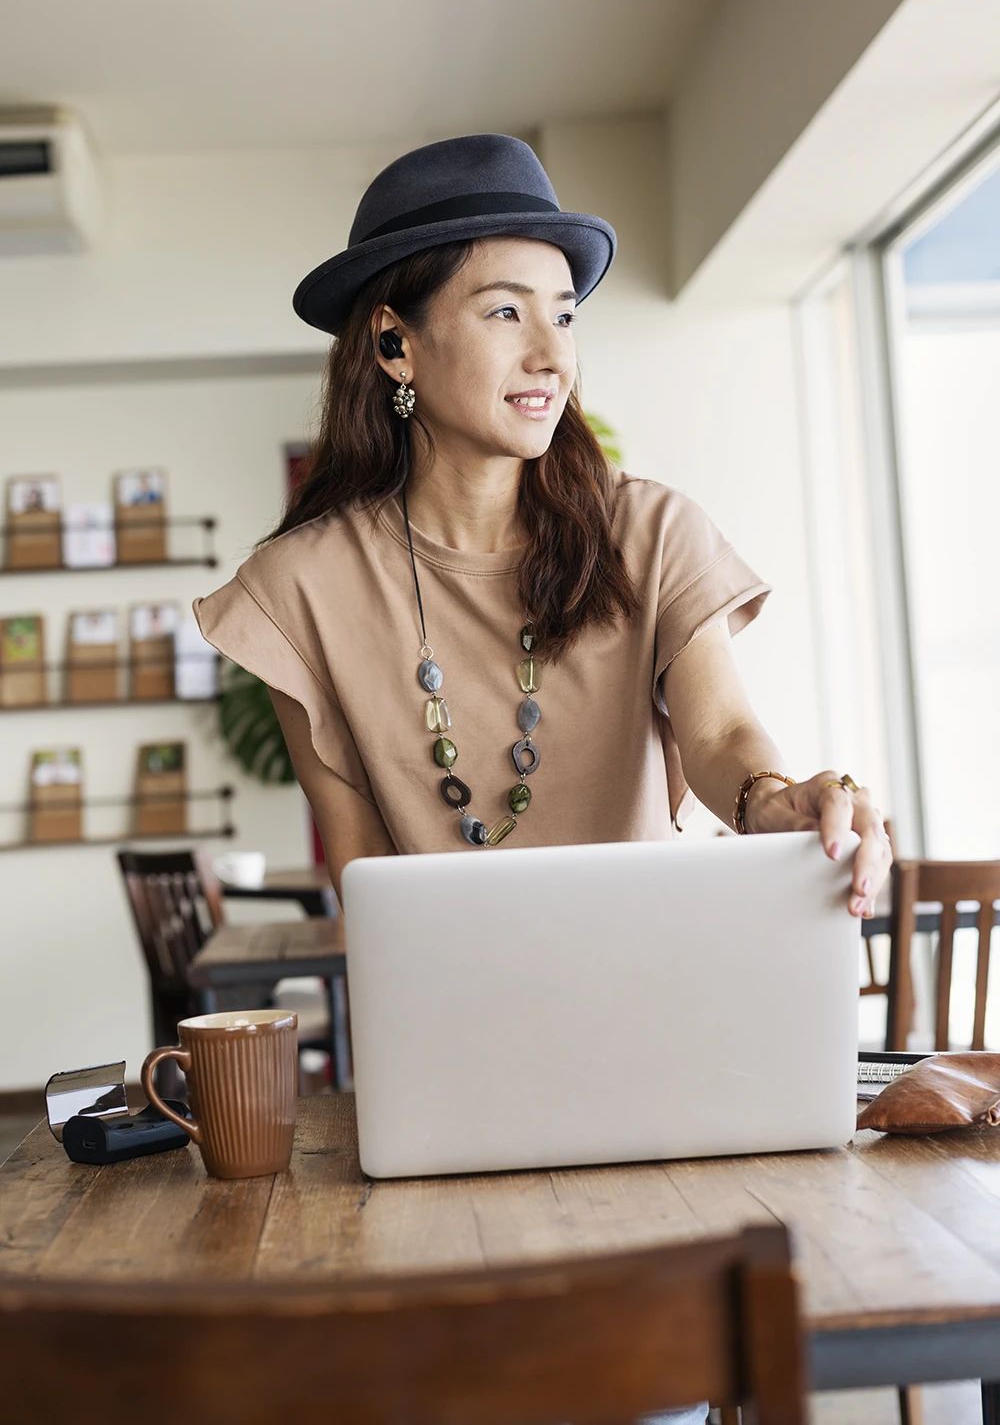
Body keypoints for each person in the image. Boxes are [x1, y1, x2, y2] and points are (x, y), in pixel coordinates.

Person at [195, 135, 891, 1425]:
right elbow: (362, 879)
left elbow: (730, 738)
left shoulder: (648, 529)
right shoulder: (298, 591)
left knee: (648, 1383)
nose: (553, 353)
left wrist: (789, 800)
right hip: (447, 1086)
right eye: (504, 311)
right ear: (394, 345)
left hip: (664, 1065)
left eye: (564, 315)